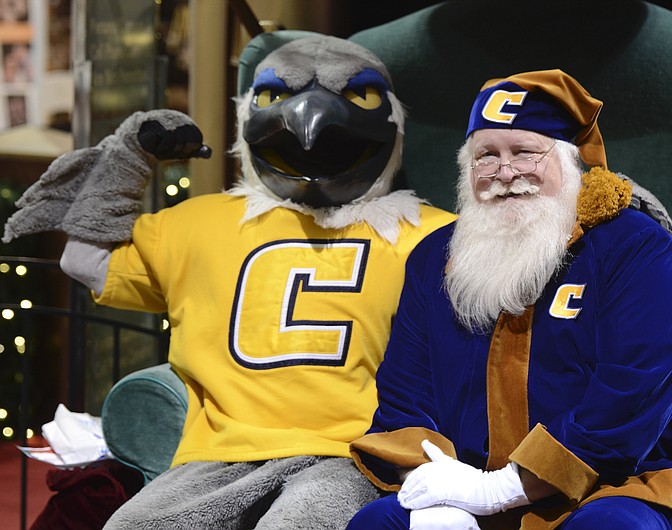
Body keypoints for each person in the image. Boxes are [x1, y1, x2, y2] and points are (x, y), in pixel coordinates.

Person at [3, 36, 455, 529]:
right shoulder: (200, 222)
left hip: (355, 455)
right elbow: (86, 260)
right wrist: (128, 158)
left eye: (358, 96)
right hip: (216, 454)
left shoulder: (432, 236)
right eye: (272, 97)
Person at [346, 69, 672, 530]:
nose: (505, 173)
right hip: (461, 482)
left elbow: (634, 392)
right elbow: (405, 394)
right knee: (378, 524)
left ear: (569, 162)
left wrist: (501, 490)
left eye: (524, 152)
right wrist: (438, 485)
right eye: (486, 157)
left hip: (606, 486)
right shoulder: (432, 260)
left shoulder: (636, 248)